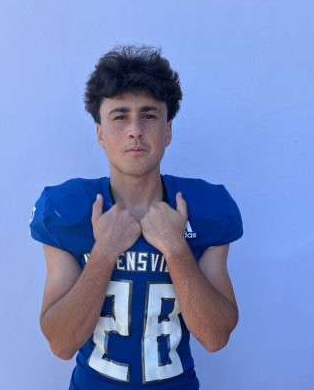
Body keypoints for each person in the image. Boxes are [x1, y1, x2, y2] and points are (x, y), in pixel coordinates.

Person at [29, 45, 243, 390]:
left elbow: (215, 336)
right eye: (119, 116)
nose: (134, 130)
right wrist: (104, 252)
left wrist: (176, 249)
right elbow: (61, 343)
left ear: (167, 130)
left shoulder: (206, 207)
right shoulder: (66, 208)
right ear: (100, 133)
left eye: (148, 115)